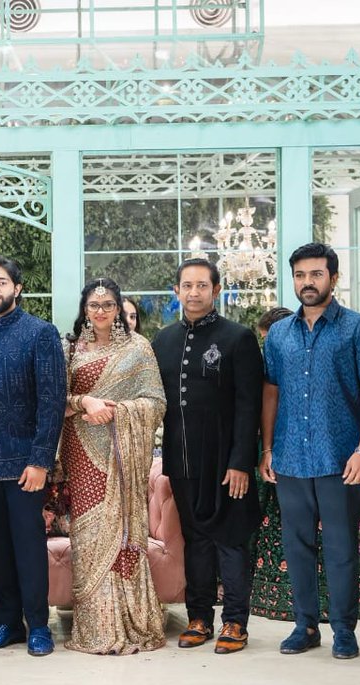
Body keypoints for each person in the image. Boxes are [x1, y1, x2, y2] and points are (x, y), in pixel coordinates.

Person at [261, 243, 360, 660]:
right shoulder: (279, 333)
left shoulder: (359, 328)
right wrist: (267, 449)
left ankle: (343, 630)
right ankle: (305, 626)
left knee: (339, 547)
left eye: (316, 274)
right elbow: (271, 393)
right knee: (296, 545)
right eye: (300, 275)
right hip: (290, 459)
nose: (307, 283)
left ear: (333, 278)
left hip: (341, 459)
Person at [152, 259, 262, 654]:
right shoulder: (161, 341)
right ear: (176, 291)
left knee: (230, 540)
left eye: (202, 286)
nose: (194, 292)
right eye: (187, 285)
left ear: (216, 291)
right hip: (182, 462)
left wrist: (240, 462)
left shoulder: (238, 338)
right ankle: (199, 616)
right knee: (195, 541)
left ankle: (235, 621)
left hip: (226, 461)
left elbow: (250, 406)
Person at [0, 256, 66, 656]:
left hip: (26, 463)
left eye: (2, 282)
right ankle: (8, 623)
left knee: (28, 546)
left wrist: (41, 461)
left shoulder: (40, 333)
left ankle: (38, 625)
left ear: (17, 288)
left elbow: (52, 401)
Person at [61, 278, 165, 655]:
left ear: (119, 308)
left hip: (122, 454)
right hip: (81, 448)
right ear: (84, 310)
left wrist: (118, 411)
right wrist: (84, 401)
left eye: (107, 304)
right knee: (87, 534)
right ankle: (93, 626)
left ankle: (126, 621)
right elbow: (59, 398)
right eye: (93, 305)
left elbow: (155, 402)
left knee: (120, 531)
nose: (100, 311)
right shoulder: (72, 349)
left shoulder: (139, 349)